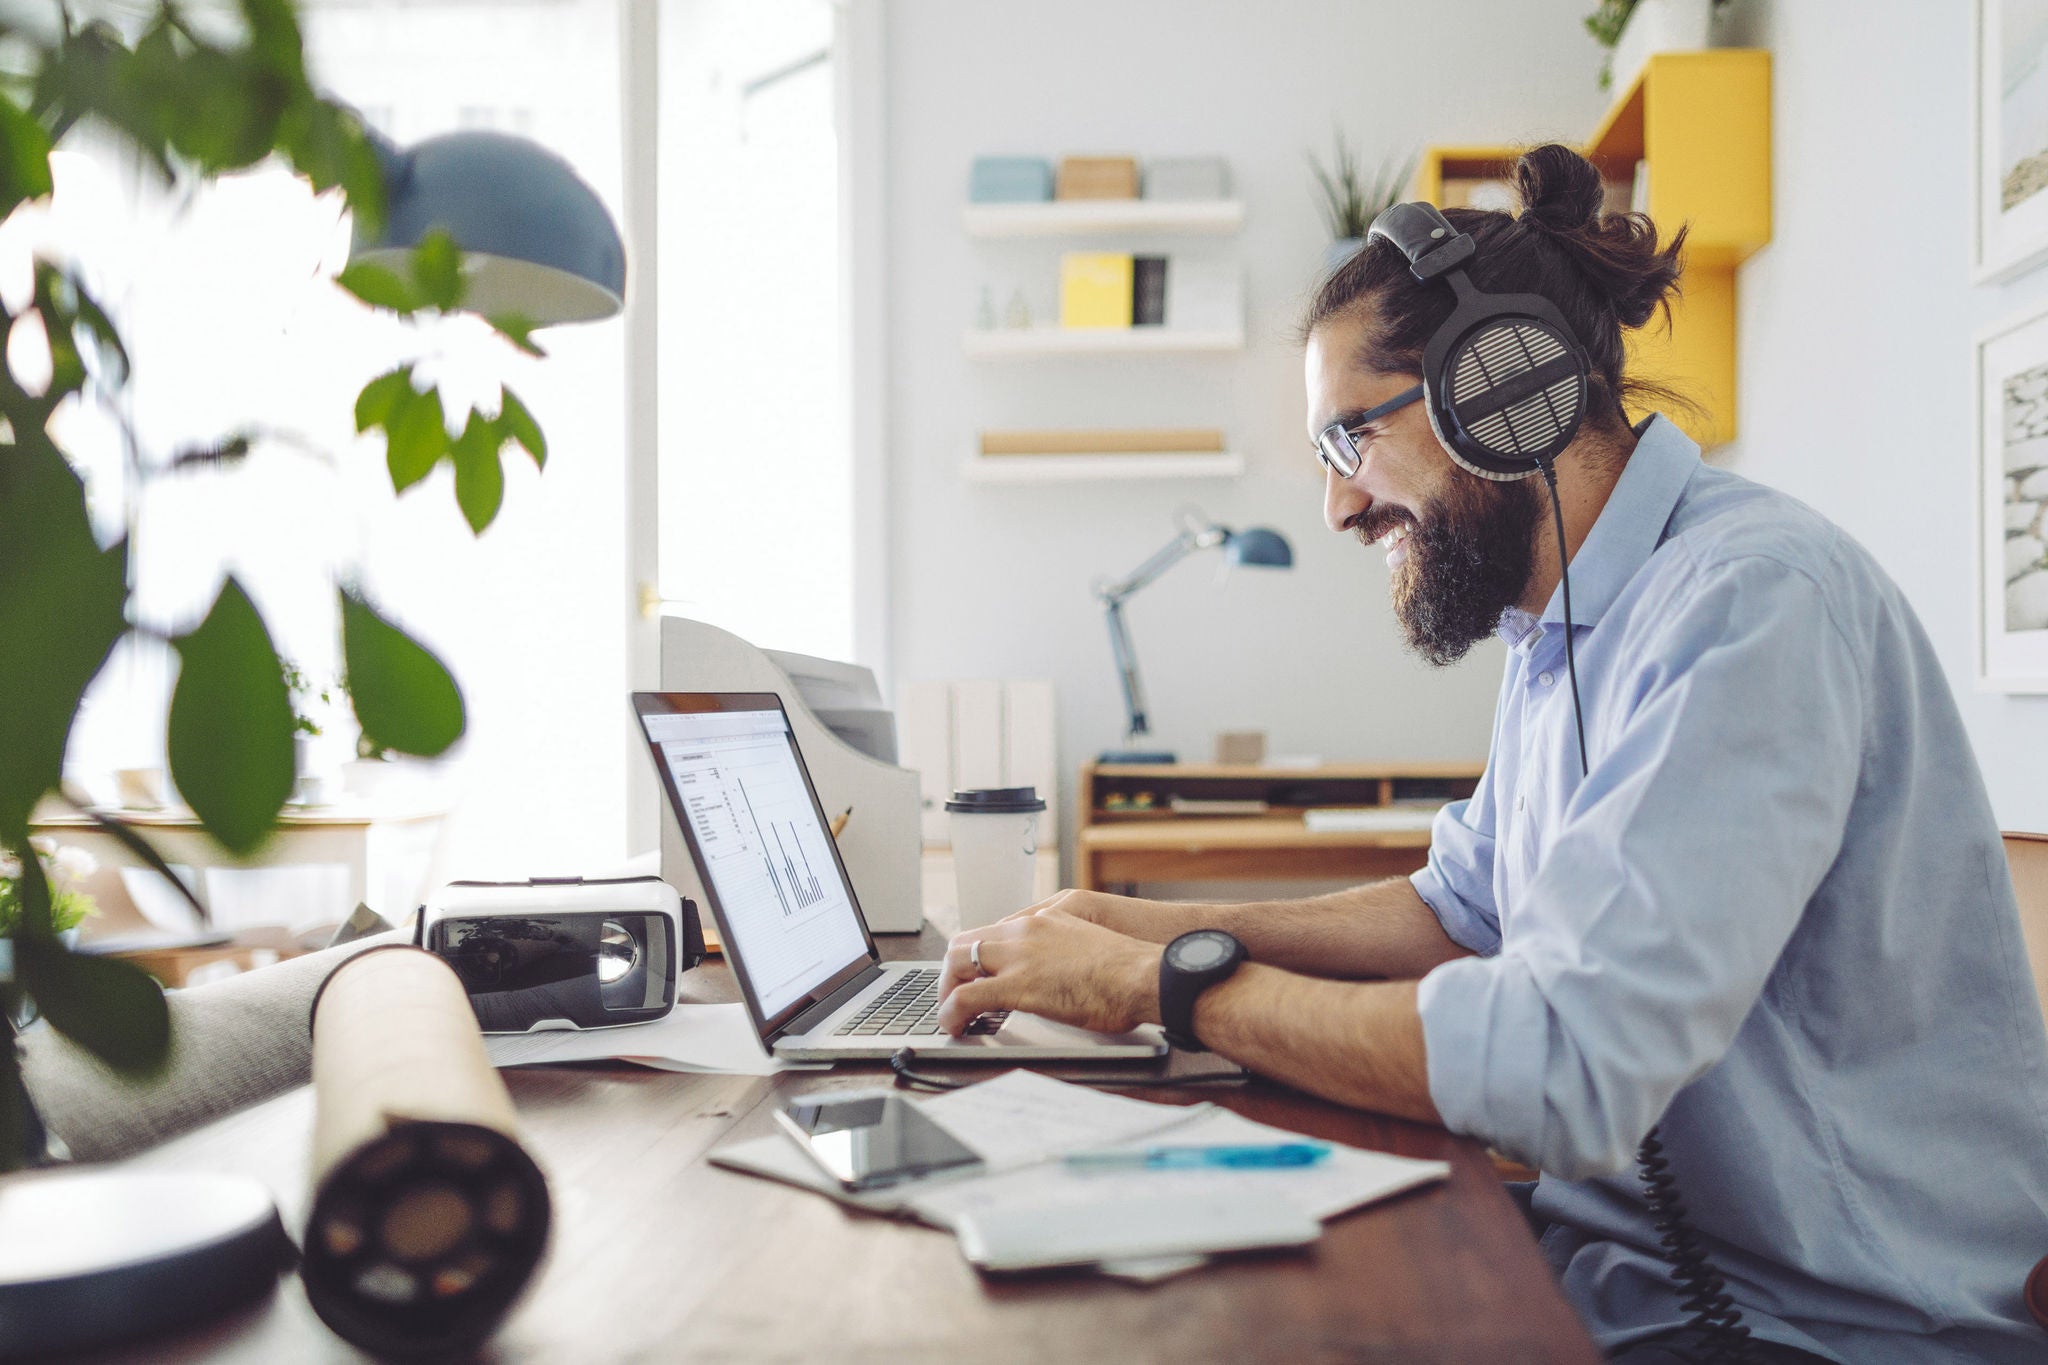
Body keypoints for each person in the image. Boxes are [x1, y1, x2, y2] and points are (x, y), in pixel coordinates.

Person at [934, 143, 2048, 1363]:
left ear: (1498, 388)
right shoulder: (1556, 620)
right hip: (1619, 1267)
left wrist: (1166, 988)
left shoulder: (1747, 604)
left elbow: (1562, 1065)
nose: (1338, 508)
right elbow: (1461, 909)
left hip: (1819, 1324)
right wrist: (1129, 925)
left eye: (1345, 438)